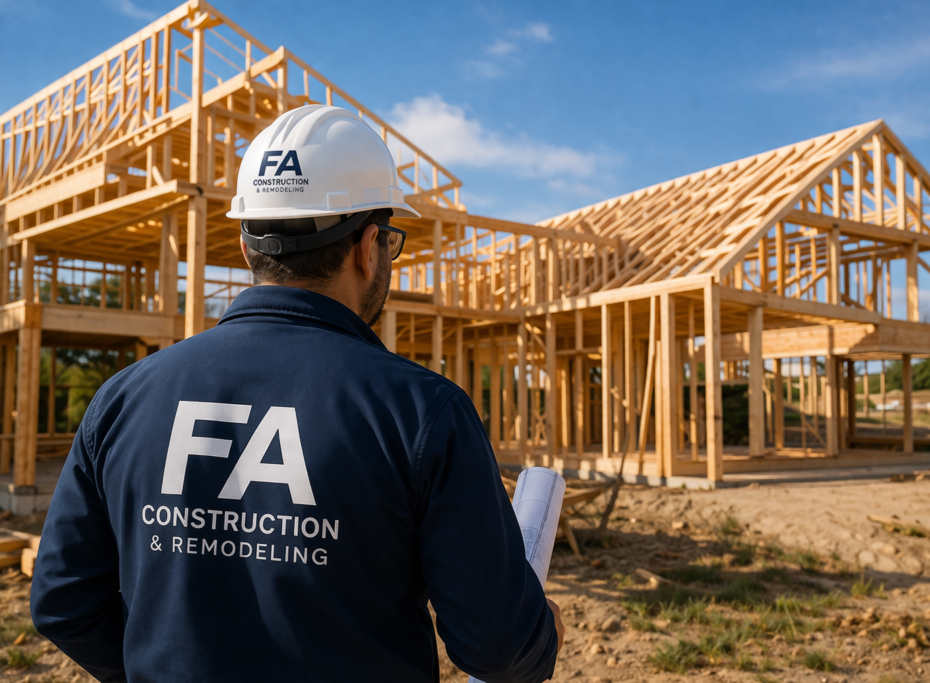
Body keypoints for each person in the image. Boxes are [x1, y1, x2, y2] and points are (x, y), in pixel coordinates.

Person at [30, 105, 564, 682]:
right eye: (391, 242)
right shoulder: (420, 413)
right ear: (368, 246)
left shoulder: (123, 400)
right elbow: (497, 651)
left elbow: (63, 602)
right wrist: (540, 635)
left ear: (246, 245)